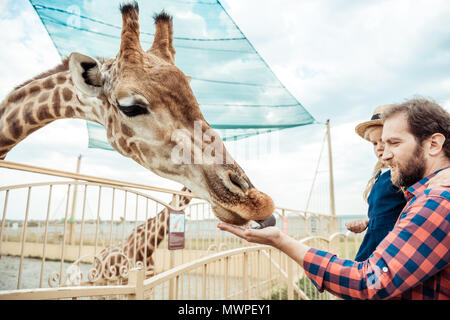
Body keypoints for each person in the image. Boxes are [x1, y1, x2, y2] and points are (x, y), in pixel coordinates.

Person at [218, 98, 450, 300]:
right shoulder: (420, 195)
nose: (384, 153)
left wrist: (281, 241)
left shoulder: (436, 200)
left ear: (433, 144)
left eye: (395, 143)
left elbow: (368, 282)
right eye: (379, 143)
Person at [346, 105, 407, 261]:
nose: (380, 147)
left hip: (390, 250)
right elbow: (389, 211)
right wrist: (368, 221)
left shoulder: (404, 175)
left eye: (386, 141)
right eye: (375, 143)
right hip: (374, 243)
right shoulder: (382, 174)